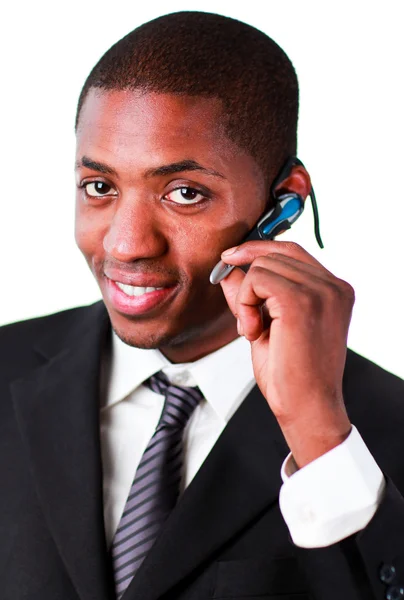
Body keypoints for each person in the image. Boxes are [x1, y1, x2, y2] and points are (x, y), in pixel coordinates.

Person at [1, 10, 403, 600]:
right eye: (100, 188)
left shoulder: (382, 428)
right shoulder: (6, 365)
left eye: (185, 194)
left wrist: (318, 434)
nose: (126, 244)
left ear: (283, 203)